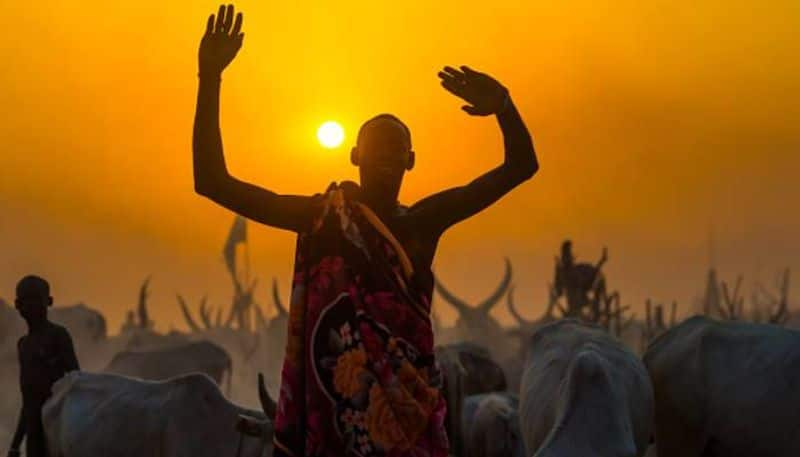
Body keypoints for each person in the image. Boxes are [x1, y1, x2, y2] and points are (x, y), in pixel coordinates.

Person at [193, 5, 538, 456]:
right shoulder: (321, 218)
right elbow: (212, 181)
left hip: (410, 418)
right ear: (354, 156)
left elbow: (520, 166)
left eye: (397, 151)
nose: (387, 159)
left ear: (411, 160)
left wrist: (505, 106)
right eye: (377, 150)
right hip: (336, 424)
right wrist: (209, 78)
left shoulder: (423, 223)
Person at [7, 276, 80, 457]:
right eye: (26, 300)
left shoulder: (58, 335)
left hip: (60, 434)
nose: (31, 305)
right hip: (34, 441)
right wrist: (15, 446)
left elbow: (77, 383)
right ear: (17, 305)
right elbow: (28, 402)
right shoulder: (23, 345)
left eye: (36, 299)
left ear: (48, 301)